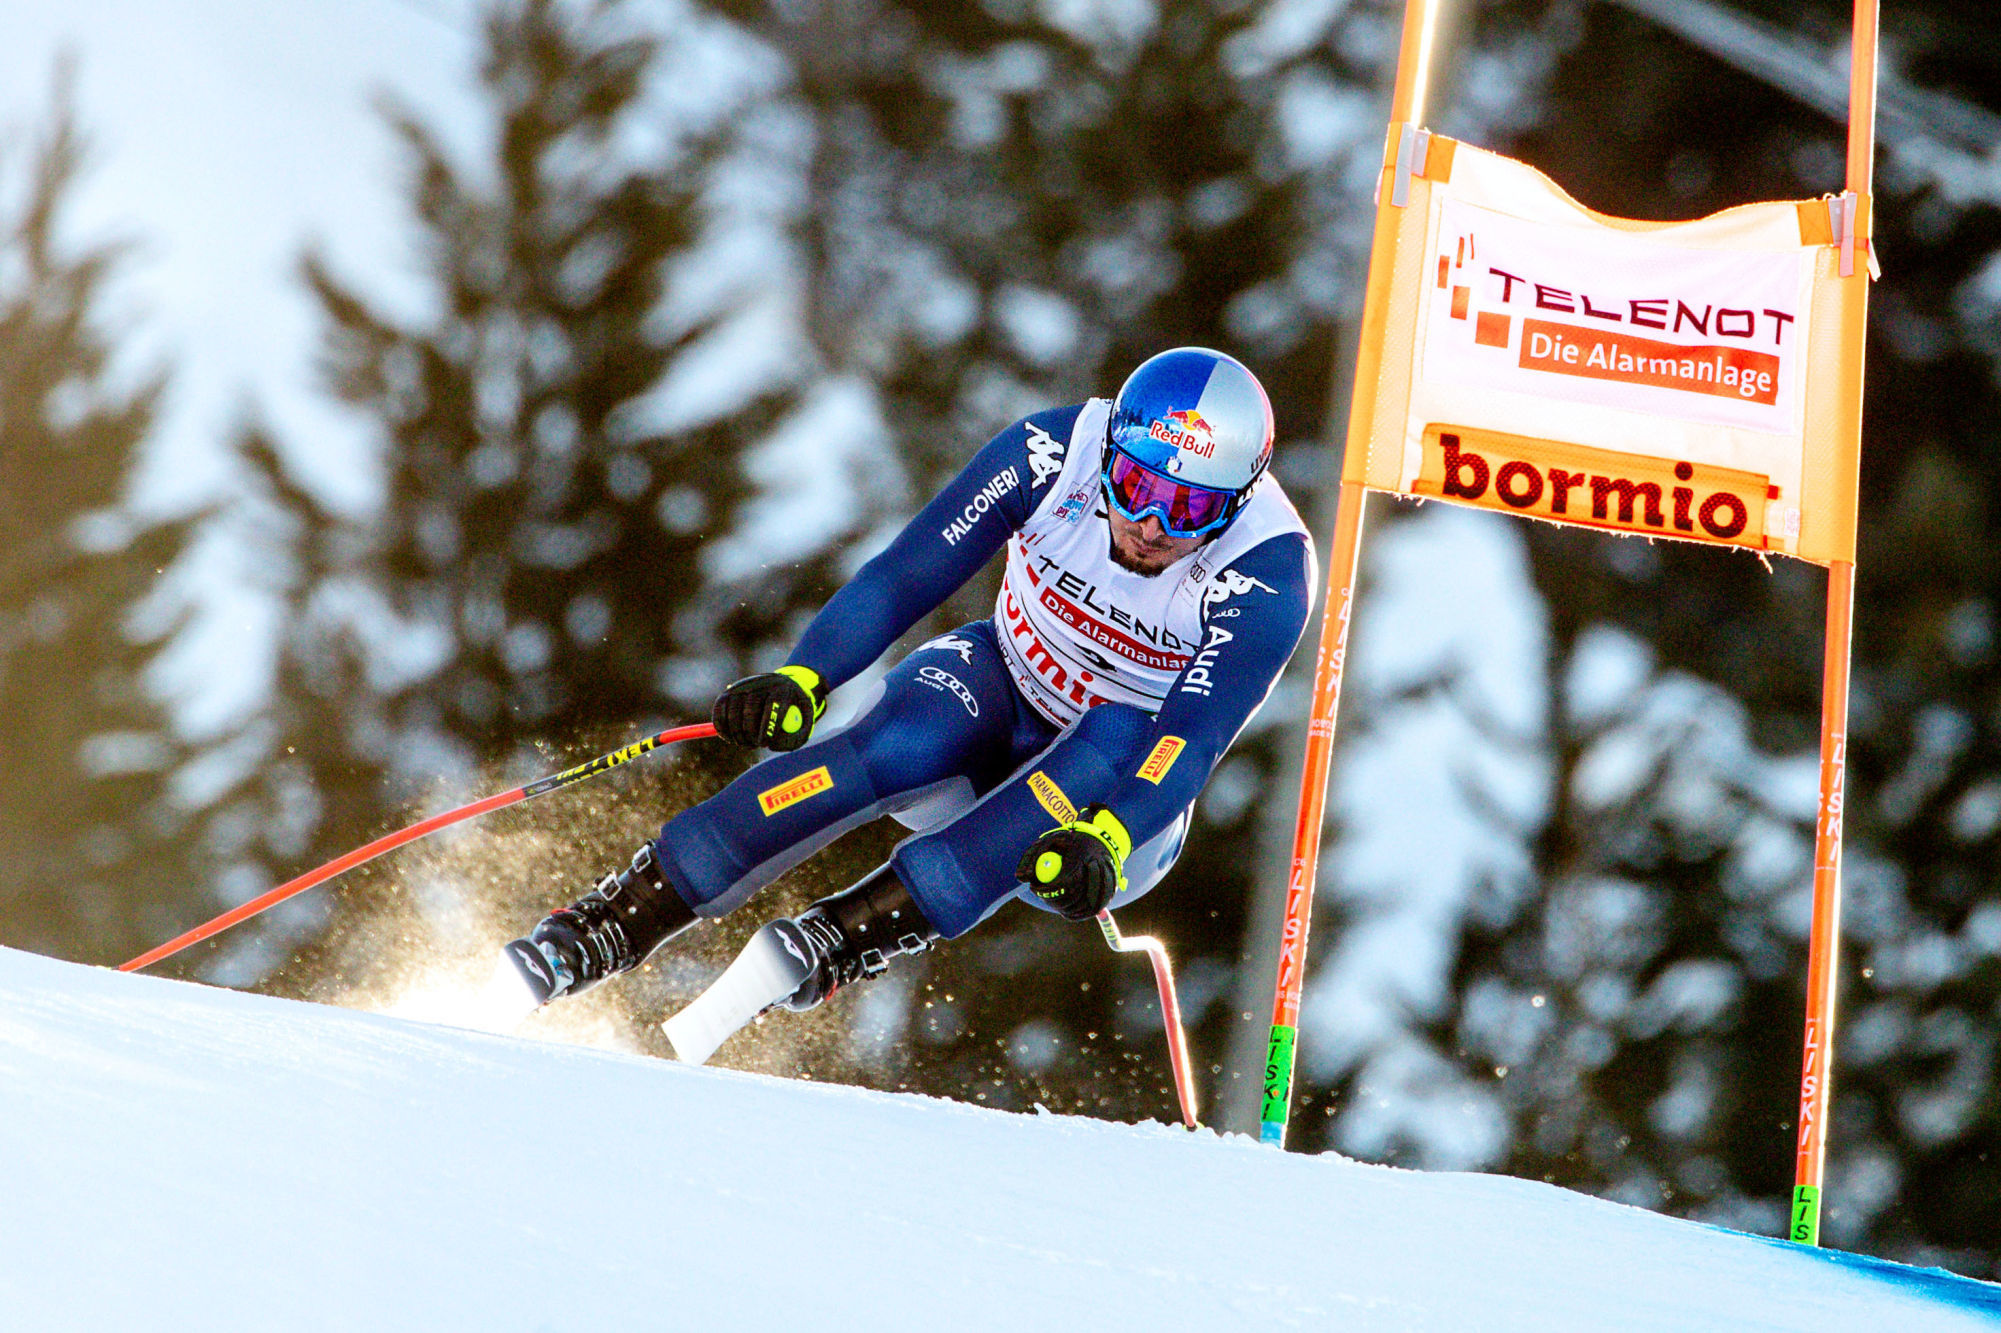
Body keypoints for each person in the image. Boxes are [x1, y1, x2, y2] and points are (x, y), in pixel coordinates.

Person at [503, 347, 1317, 1063]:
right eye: (1136, 486)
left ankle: (838, 938)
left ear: (1236, 503)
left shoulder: (1269, 570)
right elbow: (906, 573)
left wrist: (1109, 832)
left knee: (1097, 747)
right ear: (1110, 454)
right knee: (902, 741)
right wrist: (805, 677)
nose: (1147, 525)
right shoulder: (1051, 453)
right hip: (1002, 679)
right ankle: (611, 920)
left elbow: (1191, 736)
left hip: (1123, 790)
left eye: (1187, 509)